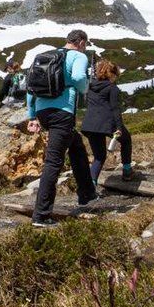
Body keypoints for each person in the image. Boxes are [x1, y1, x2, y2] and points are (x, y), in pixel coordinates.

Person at [27, 29, 95, 227]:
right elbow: (79, 77)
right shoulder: (78, 56)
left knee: (76, 145)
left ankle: (87, 195)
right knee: (53, 162)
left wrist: (32, 116)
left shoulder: (46, 56)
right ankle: (41, 215)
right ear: (81, 42)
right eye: (86, 44)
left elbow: (30, 89)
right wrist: (84, 89)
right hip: (62, 113)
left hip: (43, 112)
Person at [80, 58, 133, 184]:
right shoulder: (112, 88)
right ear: (112, 74)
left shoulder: (90, 87)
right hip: (108, 123)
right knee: (126, 140)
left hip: (90, 124)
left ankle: (90, 188)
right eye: (116, 75)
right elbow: (115, 109)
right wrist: (119, 127)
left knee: (99, 157)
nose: (116, 78)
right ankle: (127, 171)